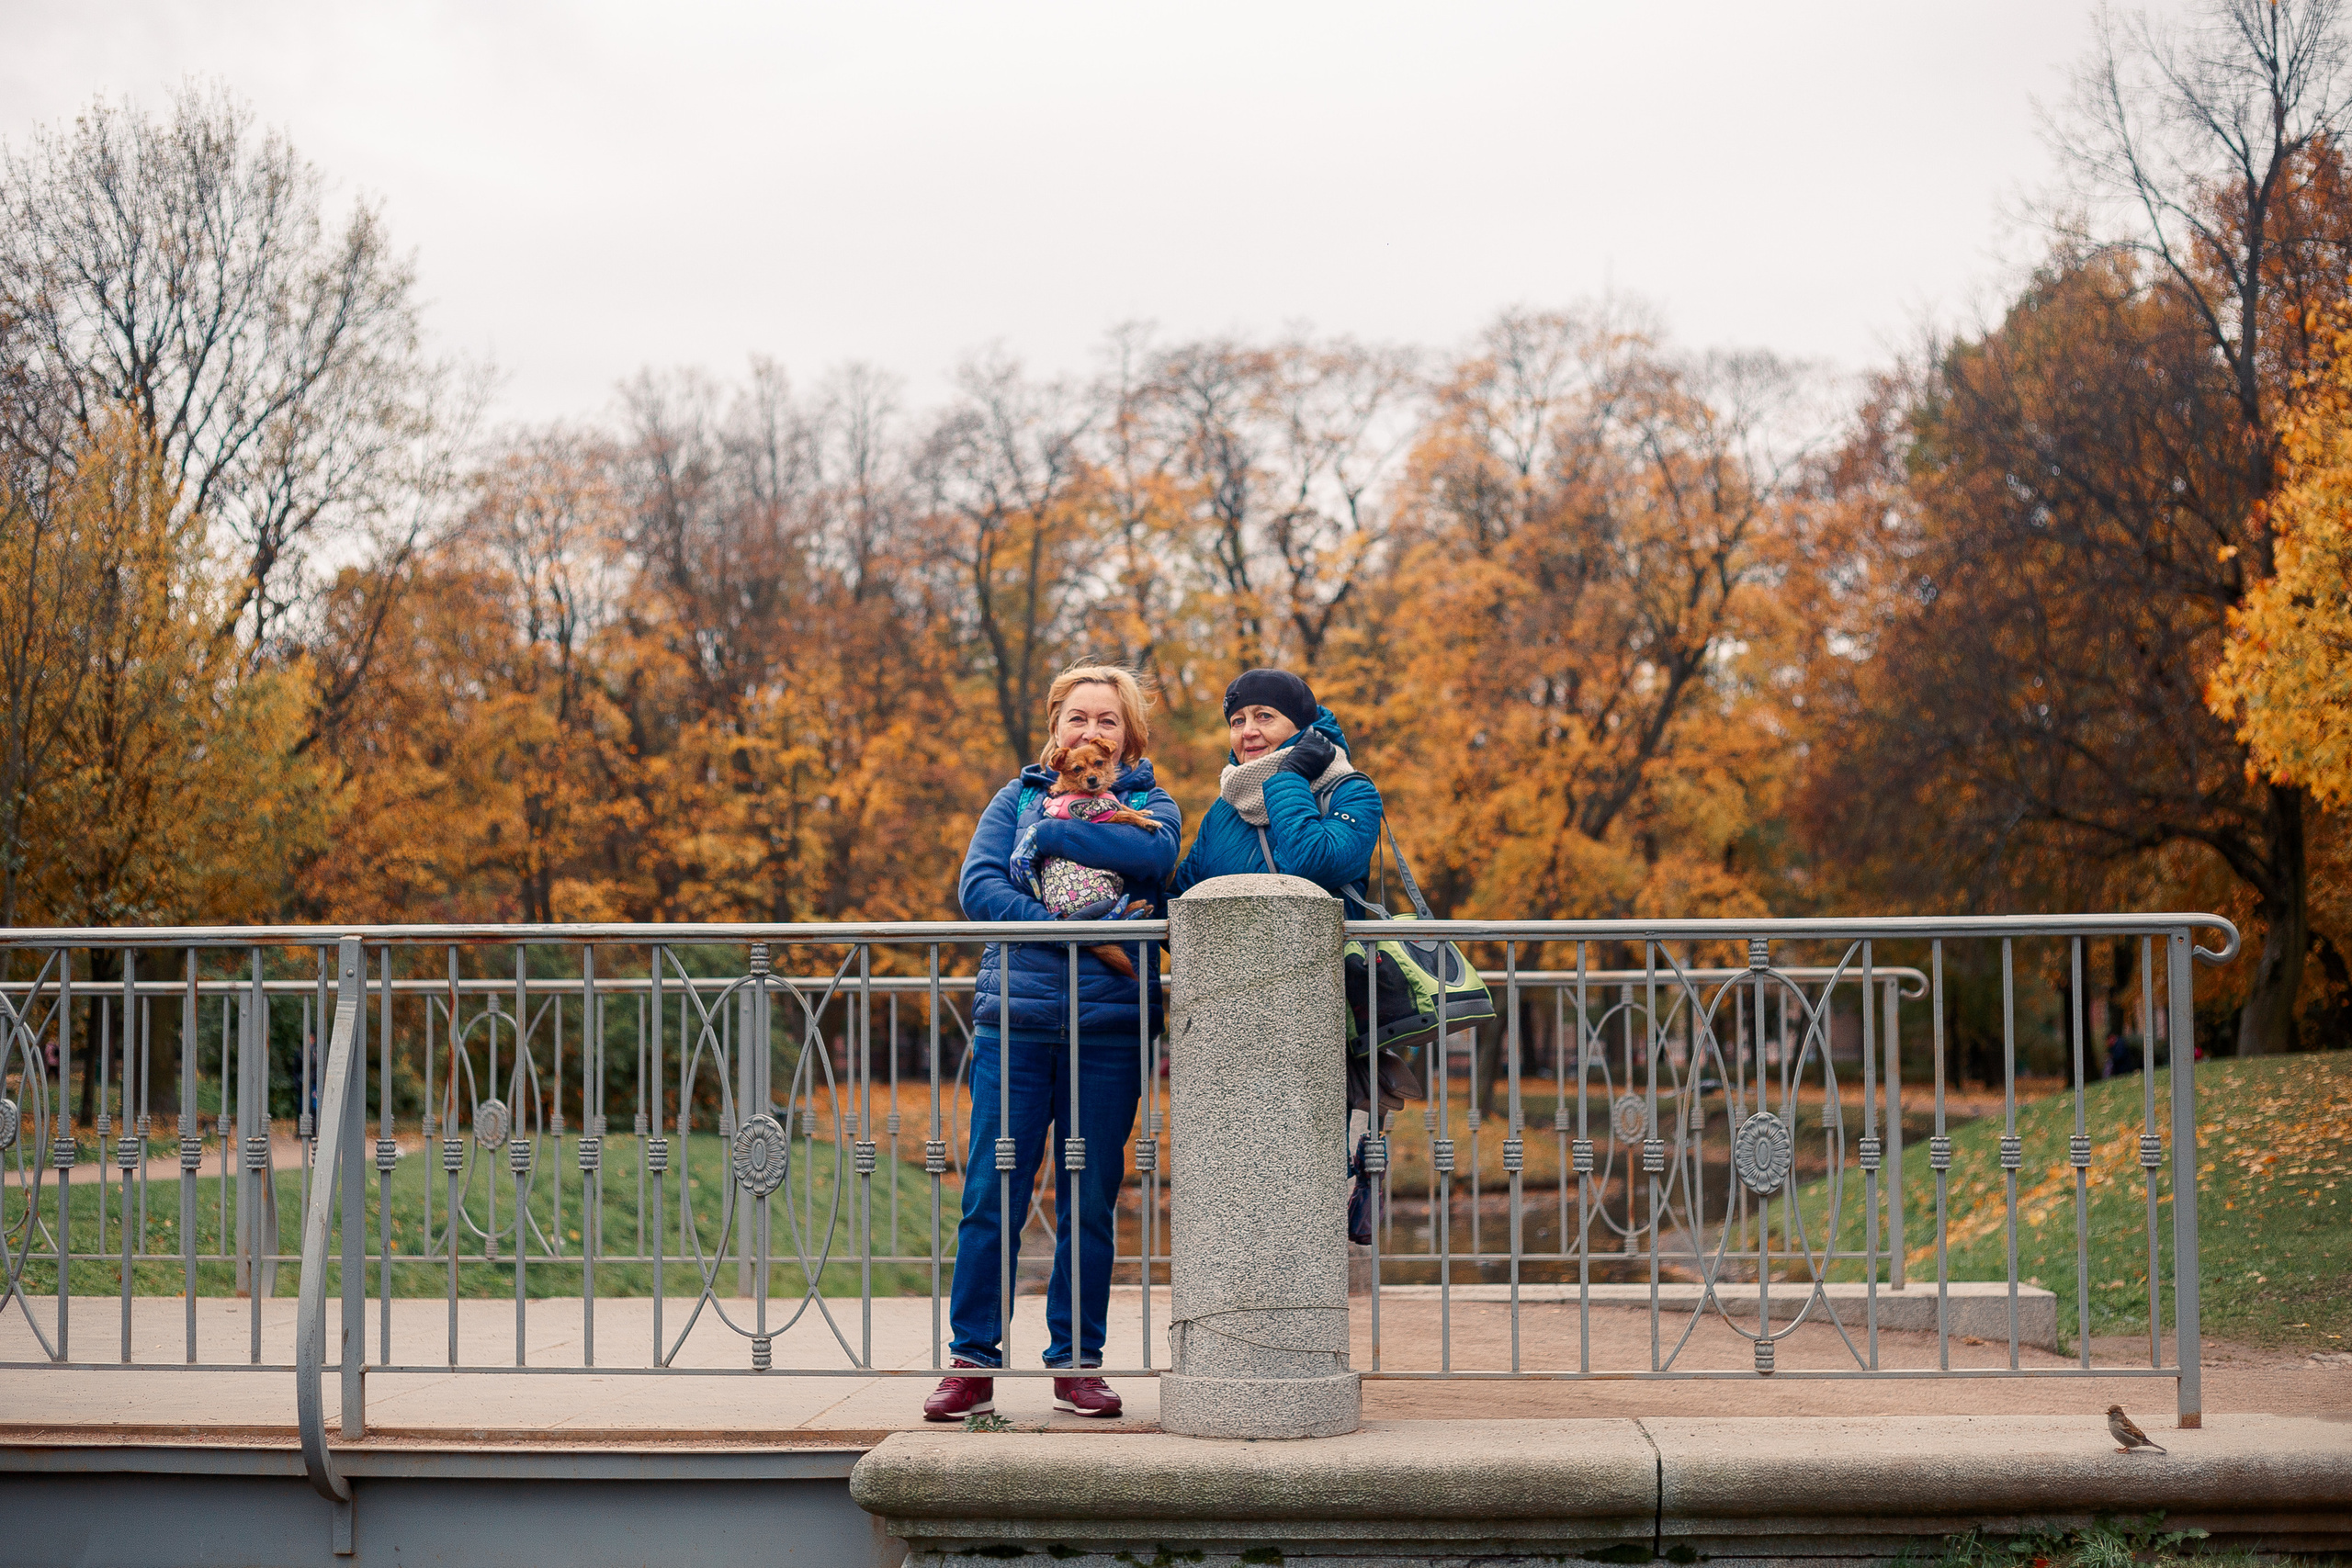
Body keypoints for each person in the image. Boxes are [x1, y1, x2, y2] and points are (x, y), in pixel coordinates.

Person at [925, 664, 1180, 1423]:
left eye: (1107, 720)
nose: (1091, 732)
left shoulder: (1152, 804)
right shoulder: (1012, 797)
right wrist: (1089, 927)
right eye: (1078, 718)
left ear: (1129, 734)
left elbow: (1154, 864)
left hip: (1108, 1029)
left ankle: (1077, 1362)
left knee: (1090, 1199)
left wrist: (1046, 841)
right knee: (989, 1192)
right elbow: (980, 890)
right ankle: (972, 1360)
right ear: (1055, 727)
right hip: (1018, 1023)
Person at [1168, 668, 1393, 1241]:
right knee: (1237, 1178)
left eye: (1265, 717)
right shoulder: (1224, 808)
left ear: (1304, 724)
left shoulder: (1350, 790)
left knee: (1308, 1173)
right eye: (1238, 720)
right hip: (1231, 1018)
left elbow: (1313, 863)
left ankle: (1303, 1320)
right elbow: (1184, 894)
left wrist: (1290, 777)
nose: (1248, 731)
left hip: (1316, 1012)